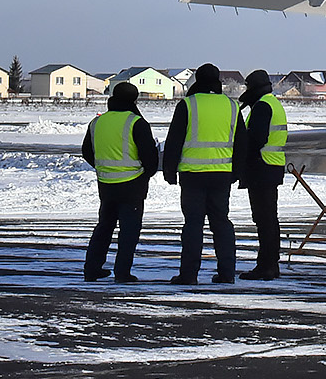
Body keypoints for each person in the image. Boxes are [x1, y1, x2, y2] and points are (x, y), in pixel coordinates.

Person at [162, 63, 237, 284]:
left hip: (193, 175)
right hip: (222, 173)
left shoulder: (188, 105)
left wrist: (169, 169)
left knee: (193, 225)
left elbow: (174, 140)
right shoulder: (231, 106)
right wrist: (237, 172)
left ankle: (189, 274)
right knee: (221, 223)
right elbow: (241, 141)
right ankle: (227, 273)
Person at [80, 81, 158, 282]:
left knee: (104, 227)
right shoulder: (136, 122)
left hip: (106, 183)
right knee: (129, 231)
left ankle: (92, 268)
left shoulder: (97, 122)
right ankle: (122, 272)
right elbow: (150, 156)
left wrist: (104, 168)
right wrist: (146, 173)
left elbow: (87, 152)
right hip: (132, 184)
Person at [234, 69, 288, 280]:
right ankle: (270, 264)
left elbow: (257, 138)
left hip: (261, 167)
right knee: (269, 220)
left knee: (264, 220)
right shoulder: (272, 103)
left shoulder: (262, 106)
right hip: (271, 167)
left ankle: (266, 266)